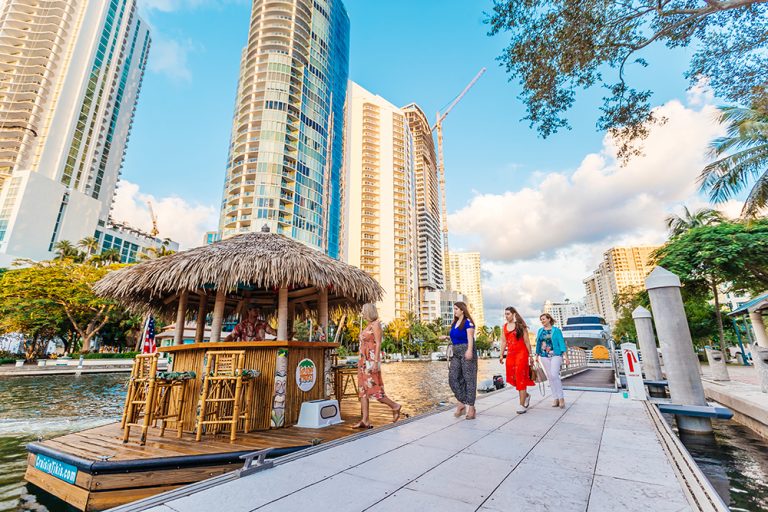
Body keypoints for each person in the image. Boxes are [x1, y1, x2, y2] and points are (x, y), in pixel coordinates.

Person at [354, 303, 406, 428]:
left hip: (371, 361)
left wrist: (376, 362)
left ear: (369, 311)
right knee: (363, 391)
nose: (362, 313)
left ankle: (395, 406)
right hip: (363, 361)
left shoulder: (376, 324)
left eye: (363, 310)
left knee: (375, 390)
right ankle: (365, 420)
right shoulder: (368, 325)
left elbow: (378, 343)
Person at [500, 306, 535, 414]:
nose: (506, 316)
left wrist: (530, 356)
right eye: (505, 314)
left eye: (508, 314)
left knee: (520, 377)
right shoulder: (504, 327)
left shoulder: (520, 326)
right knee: (513, 378)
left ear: (514, 314)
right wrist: (501, 354)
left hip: (522, 354)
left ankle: (521, 405)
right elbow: (504, 342)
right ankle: (526, 396)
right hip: (510, 355)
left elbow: (527, 341)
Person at [448, 302, 478, 419]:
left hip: (466, 351)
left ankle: (471, 407)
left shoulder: (468, 322)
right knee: (453, 377)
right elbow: (457, 337)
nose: (454, 311)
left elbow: (470, 337)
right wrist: (447, 337)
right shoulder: (455, 323)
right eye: (454, 309)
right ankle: (461, 402)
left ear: (462, 310)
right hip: (456, 353)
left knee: (469, 379)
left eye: (456, 309)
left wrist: (469, 350)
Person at [535, 312, 569, 408]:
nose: (542, 321)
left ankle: (561, 398)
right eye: (541, 320)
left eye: (543, 319)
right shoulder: (540, 331)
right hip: (543, 355)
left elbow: (561, 343)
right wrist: (536, 356)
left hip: (556, 355)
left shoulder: (556, 330)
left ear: (549, 319)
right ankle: (555, 398)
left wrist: (566, 357)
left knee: (554, 375)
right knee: (550, 377)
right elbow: (538, 343)